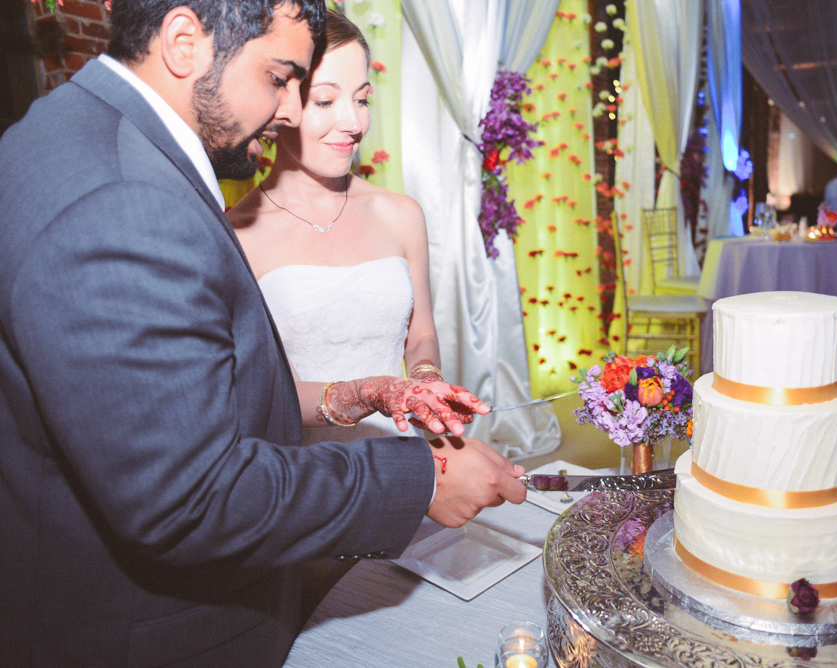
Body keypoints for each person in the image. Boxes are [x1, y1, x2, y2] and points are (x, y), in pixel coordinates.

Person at [0, 2, 526, 666]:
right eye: (281, 78)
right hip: (150, 631)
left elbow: (195, 395)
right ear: (185, 41)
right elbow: (191, 498)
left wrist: (362, 390)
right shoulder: (125, 203)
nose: (288, 110)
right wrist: (423, 478)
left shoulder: (57, 131)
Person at [227, 10, 459, 443]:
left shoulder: (401, 214)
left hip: (406, 456)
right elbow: (261, 395)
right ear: (281, 103)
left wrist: (424, 379)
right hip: (308, 475)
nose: (354, 123)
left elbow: (422, 333)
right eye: (326, 101)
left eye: (362, 98)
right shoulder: (237, 236)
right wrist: (371, 394)